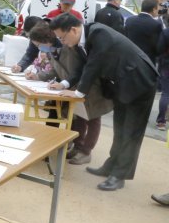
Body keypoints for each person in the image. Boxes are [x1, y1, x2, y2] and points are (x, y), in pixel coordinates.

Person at [53, 13, 158, 191]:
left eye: (62, 37)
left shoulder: (100, 33)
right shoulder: (80, 43)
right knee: (120, 129)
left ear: (73, 29)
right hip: (121, 85)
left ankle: (119, 175)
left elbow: (95, 64)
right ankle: (111, 166)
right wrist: (64, 84)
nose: (62, 42)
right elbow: (82, 67)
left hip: (140, 82)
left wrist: (78, 93)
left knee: (131, 132)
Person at [27, 22, 113, 165]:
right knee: (80, 117)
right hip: (74, 88)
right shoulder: (51, 50)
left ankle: (86, 151)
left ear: (47, 40)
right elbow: (56, 70)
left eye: (39, 45)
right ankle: (77, 146)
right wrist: (39, 76)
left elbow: (77, 71)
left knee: (93, 117)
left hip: (90, 86)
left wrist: (65, 84)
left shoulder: (69, 48)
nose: (39, 48)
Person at [125, 0, 162, 65]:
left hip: (130, 59)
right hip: (147, 61)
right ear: (154, 9)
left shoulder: (130, 20)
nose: (158, 11)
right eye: (158, 8)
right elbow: (157, 46)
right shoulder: (156, 24)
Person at [154, 26, 169, 130]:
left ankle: (161, 122)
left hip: (166, 64)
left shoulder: (166, 32)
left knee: (166, 93)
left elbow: (159, 49)